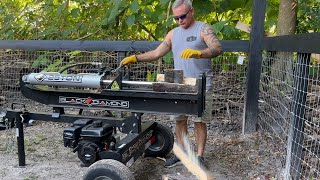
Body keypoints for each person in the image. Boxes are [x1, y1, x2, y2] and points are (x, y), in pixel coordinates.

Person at [120, 0, 222, 168]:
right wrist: (135, 58)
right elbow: (156, 53)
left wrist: (199, 53)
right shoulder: (173, 34)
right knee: (180, 120)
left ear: (192, 12)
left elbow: (217, 48)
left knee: (199, 121)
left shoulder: (203, 29)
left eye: (182, 16)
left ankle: (199, 157)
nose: (180, 21)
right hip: (179, 83)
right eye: (176, 18)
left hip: (201, 83)